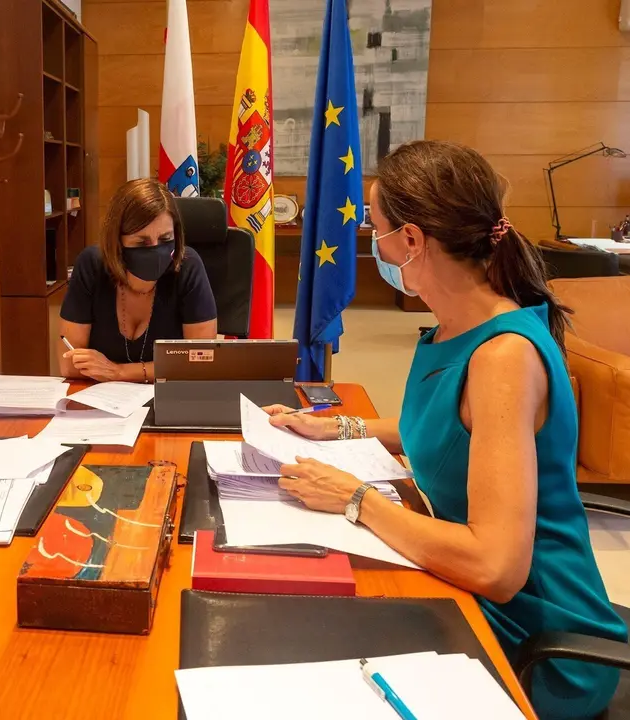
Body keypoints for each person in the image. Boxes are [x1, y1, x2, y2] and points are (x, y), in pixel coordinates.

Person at [266, 140, 627, 720]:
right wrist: (336, 428)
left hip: (536, 641)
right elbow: (445, 431)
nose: (373, 241)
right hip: (472, 593)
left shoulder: (503, 357)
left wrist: (355, 499)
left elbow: (495, 568)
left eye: (376, 226)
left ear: (411, 240)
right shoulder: (455, 328)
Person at [58, 178, 217, 383]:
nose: (156, 251)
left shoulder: (188, 266)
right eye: (142, 242)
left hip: (168, 394)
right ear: (117, 241)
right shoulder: (92, 266)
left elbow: (202, 362)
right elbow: (69, 365)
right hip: (101, 396)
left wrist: (118, 372)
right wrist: (161, 369)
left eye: (166, 239)